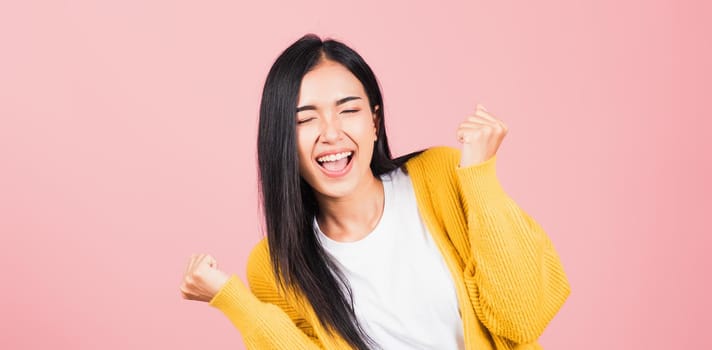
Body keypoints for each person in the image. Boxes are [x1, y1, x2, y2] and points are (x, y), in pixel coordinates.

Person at [179, 33, 570, 350]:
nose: (331, 133)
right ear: (281, 139)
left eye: (348, 110)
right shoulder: (276, 263)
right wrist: (232, 299)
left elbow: (523, 317)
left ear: (375, 122)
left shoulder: (442, 176)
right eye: (306, 119)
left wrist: (480, 178)